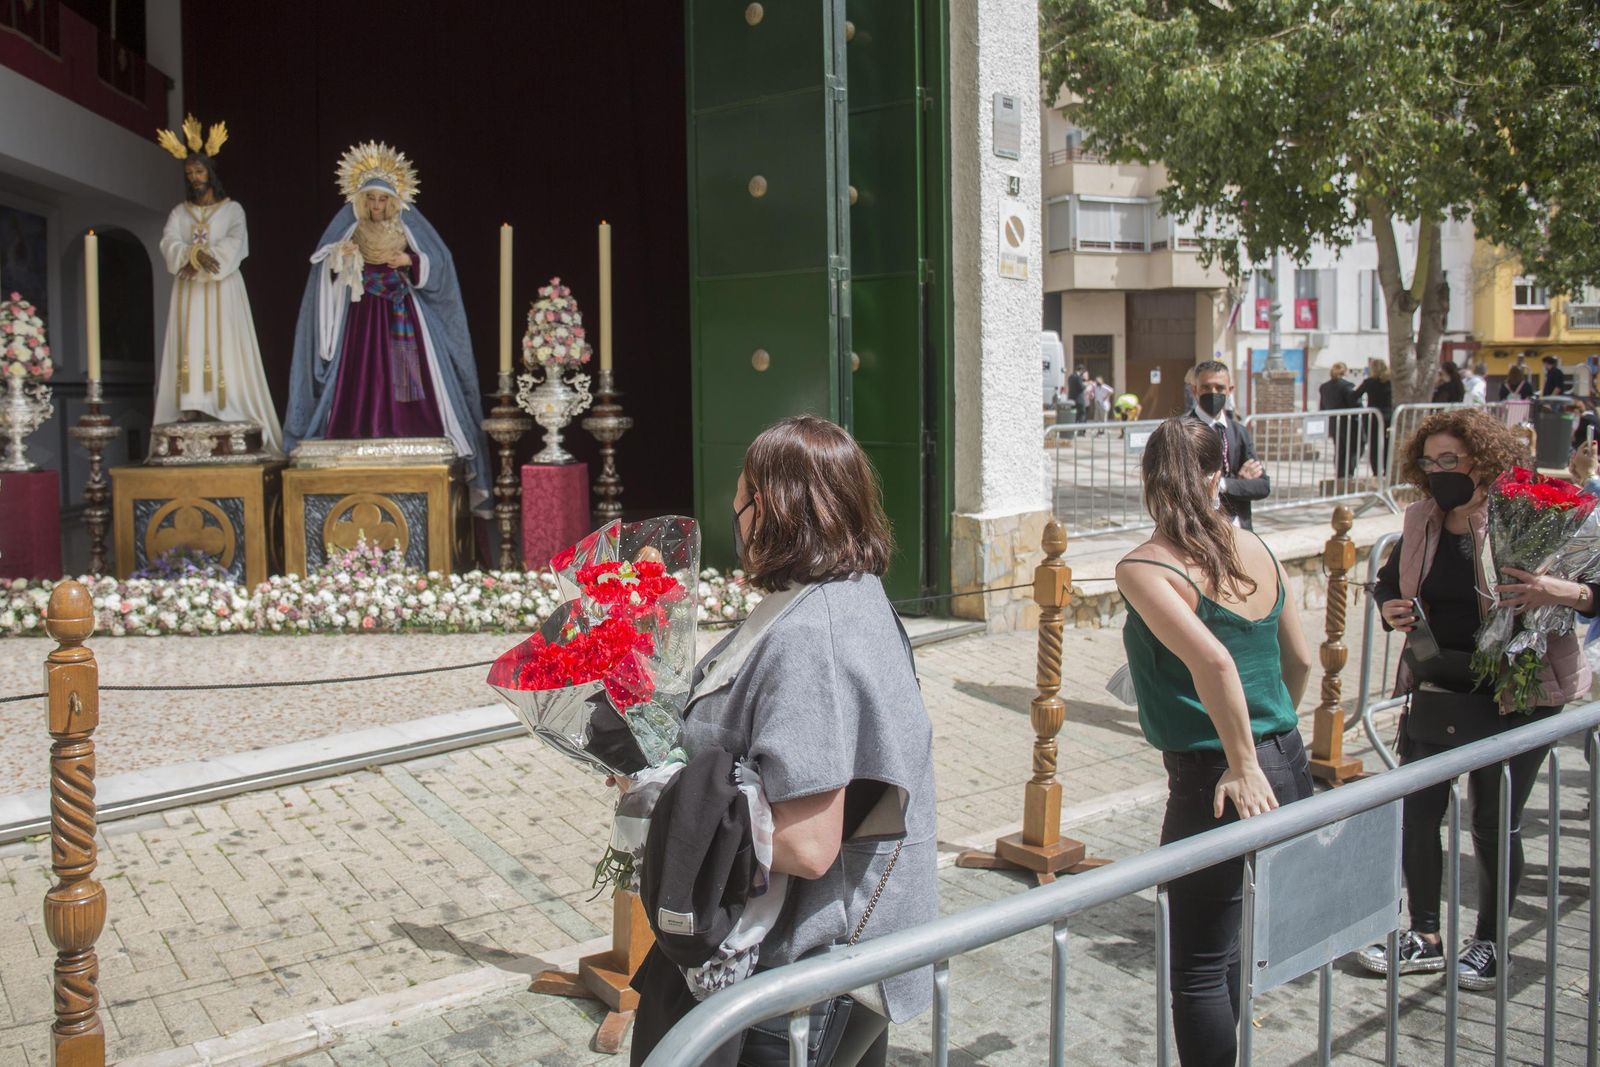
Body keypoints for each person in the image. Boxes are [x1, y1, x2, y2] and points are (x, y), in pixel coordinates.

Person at [629, 415, 936, 1067]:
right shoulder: (845, 594)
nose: (735, 514)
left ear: (763, 509)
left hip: (795, 975)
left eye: (738, 498)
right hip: (839, 957)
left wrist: (672, 798)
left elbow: (808, 841)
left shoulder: (811, 635)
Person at [1355, 409, 1591, 989]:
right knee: (1419, 809)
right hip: (1440, 684)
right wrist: (1387, 606)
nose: (1438, 472)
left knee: (1493, 819)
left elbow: (1590, 587)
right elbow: (1390, 580)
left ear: (1481, 461)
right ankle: (1425, 934)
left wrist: (1569, 591)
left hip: (1520, 694)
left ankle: (1488, 943)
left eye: (1450, 461)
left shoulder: (1527, 516)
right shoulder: (1420, 519)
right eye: (1429, 462)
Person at [1116, 417, 1314, 1067]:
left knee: (1197, 964)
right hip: (1283, 757)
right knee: (1226, 946)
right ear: (1217, 475)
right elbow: (1303, 659)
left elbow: (1215, 664)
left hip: (1221, 776)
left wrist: (1241, 759)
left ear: (1147, 481)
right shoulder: (1257, 547)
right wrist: (1270, 733)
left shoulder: (1145, 566)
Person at [285, 141, 490, 515]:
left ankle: (414, 427)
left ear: (394, 201)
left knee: (407, 374)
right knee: (362, 374)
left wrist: (409, 259)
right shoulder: (351, 230)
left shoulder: (406, 225)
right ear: (361, 202)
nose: (377, 207)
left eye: (383, 200)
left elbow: (439, 264)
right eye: (372, 200)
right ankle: (360, 427)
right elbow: (324, 268)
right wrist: (340, 260)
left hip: (402, 312)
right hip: (361, 314)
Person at [150, 115, 283, 455]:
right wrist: (190, 255)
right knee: (189, 340)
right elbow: (168, 243)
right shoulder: (180, 213)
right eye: (189, 173)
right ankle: (191, 404)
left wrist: (209, 260)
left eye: (199, 171)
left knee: (224, 341)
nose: (195, 178)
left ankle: (227, 405)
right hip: (190, 290)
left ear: (211, 172)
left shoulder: (232, 209)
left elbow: (238, 242)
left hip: (222, 288)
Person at [1184, 360, 1269, 529]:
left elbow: (1262, 486)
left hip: (1238, 528)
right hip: (1197, 528)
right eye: (1206, 388)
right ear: (1195, 390)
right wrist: (1239, 481)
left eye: (1220, 388)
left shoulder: (1239, 432)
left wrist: (1223, 484)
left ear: (1230, 390)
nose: (1213, 393)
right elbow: (1183, 485)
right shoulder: (1181, 431)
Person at [1318, 362, 1361, 480]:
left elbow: (1322, 406)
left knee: (1339, 449)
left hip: (1334, 422)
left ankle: (1340, 473)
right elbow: (1355, 404)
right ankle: (1347, 473)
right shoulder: (1347, 386)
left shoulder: (1324, 387)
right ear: (1345, 372)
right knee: (1352, 448)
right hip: (1348, 422)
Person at [1354, 358, 1394, 476]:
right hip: (1388, 415)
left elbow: (1355, 395)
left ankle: (1376, 471)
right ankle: (1387, 470)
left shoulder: (1369, 382)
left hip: (1373, 416)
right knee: (1388, 443)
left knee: (1374, 444)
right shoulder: (1390, 382)